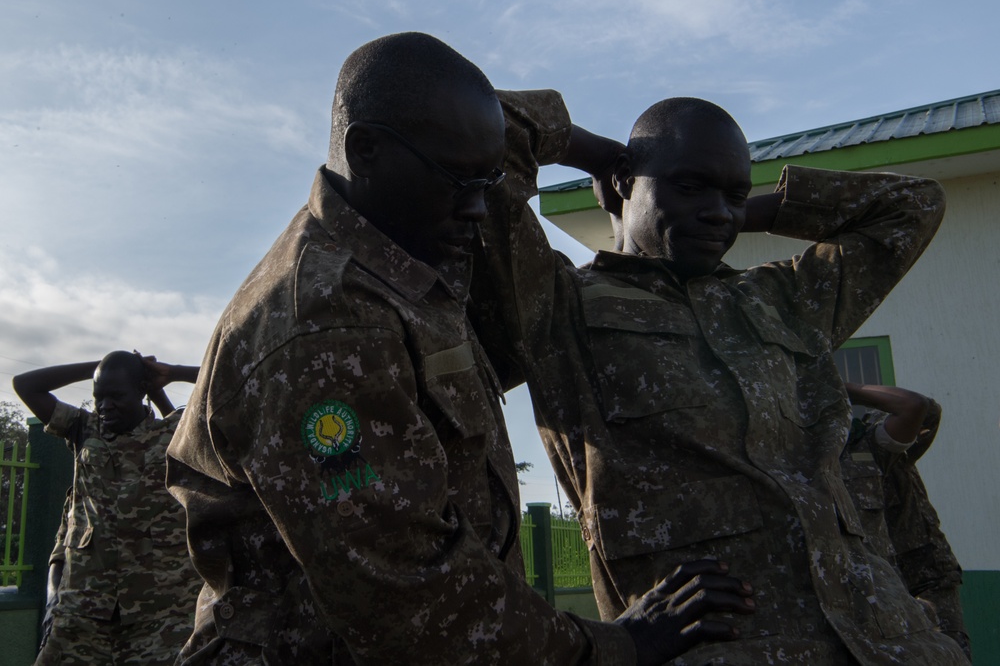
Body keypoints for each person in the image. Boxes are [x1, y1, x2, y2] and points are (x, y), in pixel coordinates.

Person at [165, 33, 753, 666]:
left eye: (490, 177)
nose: (480, 206)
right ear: (366, 150)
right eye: (459, 179)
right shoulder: (324, 326)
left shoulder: (411, 258)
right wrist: (619, 646)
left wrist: (608, 158)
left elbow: (486, 121)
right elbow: (410, 594)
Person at [475, 93, 970, 663]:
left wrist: (739, 210)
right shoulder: (557, 306)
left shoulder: (785, 299)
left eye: (732, 194)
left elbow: (914, 206)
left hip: (890, 640)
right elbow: (479, 122)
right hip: (733, 647)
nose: (717, 212)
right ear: (626, 183)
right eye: (688, 186)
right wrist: (596, 154)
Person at [12, 351, 201, 665]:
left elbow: (227, 382)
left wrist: (172, 373)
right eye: (99, 397)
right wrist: (99, 368)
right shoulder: (85, 430)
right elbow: (25, 385)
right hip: (84, 612)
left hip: (164, 615)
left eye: (116, 396)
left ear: (141, 391)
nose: (104, 406)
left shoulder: (175, 434)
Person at [842, 383, 971, 660]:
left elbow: (922, 409)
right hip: (877, 584)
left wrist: (842, 386)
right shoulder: (820, 458)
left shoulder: (876, 441)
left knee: (949, 654)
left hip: (926, 575)